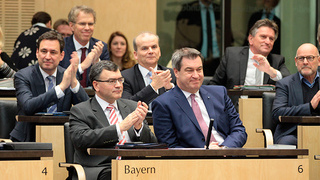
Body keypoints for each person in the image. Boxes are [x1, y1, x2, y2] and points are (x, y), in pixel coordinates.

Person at [69, 60, 157, 180]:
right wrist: (119, 128)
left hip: (135, 167)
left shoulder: (132, 107)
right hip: (101, 168)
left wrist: (139, 127)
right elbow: (81, 140)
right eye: (112, 81)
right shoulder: (81, 110)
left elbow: (153, 143)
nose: (118, 85)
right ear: (96, 85)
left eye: (120, 80)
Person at [152, 47, 247, 148]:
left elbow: (239, 130)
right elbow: (170, 147)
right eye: (189, 71)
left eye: (199, 69)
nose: (196, 75)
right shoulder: (163, 104)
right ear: (176, 72)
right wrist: (203, 152)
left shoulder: (219, 93)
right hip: (194, 161)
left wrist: (223, 148)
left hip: (229, 156)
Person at [10, 31, 90, 142]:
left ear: (61, 56)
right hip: (28, 137)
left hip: (62, 137)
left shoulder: (67, 74)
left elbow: (86, 109)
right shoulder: (23, 76)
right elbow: (28, 106)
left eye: (53, 52)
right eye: (44, 51)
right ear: (37, 53)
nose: (48, 57)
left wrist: (74, 82)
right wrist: (61, 88)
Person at [209, 19, 290, 107]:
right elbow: (214, 85)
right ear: (251, 39)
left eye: (271, 39)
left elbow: (290, 83)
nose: (267, 42)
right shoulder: (232, 56)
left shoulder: (276, 61)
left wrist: (270, 70)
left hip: (264, 113)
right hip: (235, 111)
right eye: (263, 37)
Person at [272, 43, 320, 146]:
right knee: (287, 143)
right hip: (293, 134)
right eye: (301, 58)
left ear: (319, 61)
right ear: (296, 62)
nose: (305, 62)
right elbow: (277, 113)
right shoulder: (285, 84)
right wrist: (309, 107)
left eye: (310, 58)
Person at [174, 0, 233, 76]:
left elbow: (229, 36)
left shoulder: (220, 9)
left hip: (217, 60)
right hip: (193, 59)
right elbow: (179, 39)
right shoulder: (188, 10)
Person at [60, 5, 109, 87]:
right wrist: (83, 66)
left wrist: (97, 62)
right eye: (82, 24)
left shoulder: (101, 47)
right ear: (71, 26)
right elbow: (60, 78)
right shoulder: (61, 46)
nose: (87, 28)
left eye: (90, 24)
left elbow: (108, 80)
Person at [121, 32, 176, 105]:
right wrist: (153, 87)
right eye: (145, 48)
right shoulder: (125, 77)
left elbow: (181, 104)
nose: (151, 51)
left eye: (154, 47)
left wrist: (169, 89)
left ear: (159, 51)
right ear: (136, 55)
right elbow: (126, 105)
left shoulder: (171, 74)